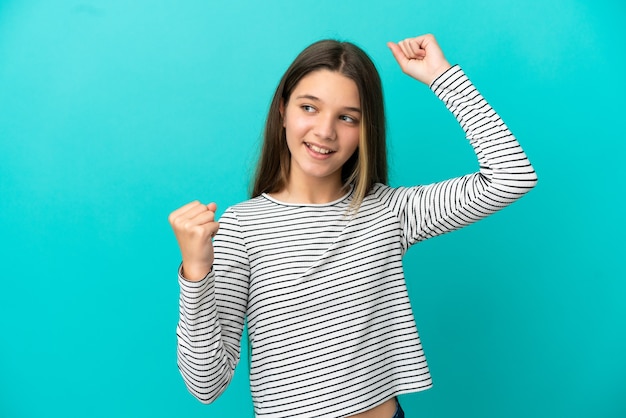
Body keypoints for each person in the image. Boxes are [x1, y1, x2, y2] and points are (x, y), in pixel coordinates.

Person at [169, 34, 537, 418]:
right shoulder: (242, 227)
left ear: (366, 130)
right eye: (309, 107)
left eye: (347, 117)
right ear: (282, 110)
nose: (325, 131)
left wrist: (442, 76)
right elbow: (206, 386)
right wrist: (197, 273)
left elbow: (511, 176)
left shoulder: (390, 212)